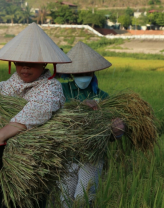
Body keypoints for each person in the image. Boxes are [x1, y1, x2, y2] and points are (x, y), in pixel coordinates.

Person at [0, 23, 72, 208]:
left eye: (32, 64)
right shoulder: (4, 86)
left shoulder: (51, 87)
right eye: (21, 63)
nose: (25, 68)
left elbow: (39, 110)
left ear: (45, 63)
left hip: (31, 168)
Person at [56, 41, 125, 207]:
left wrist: (118, 130)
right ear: (72, 73)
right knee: (65, 200)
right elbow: (51, 115)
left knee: (83, 200)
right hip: (66, 155)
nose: (84, 76)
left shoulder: (103, 97)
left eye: (87, 72)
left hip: (91, 157)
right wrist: (80, 107)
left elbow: (114, 129)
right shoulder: (59, 90)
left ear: (93, 72)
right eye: (80, 73)